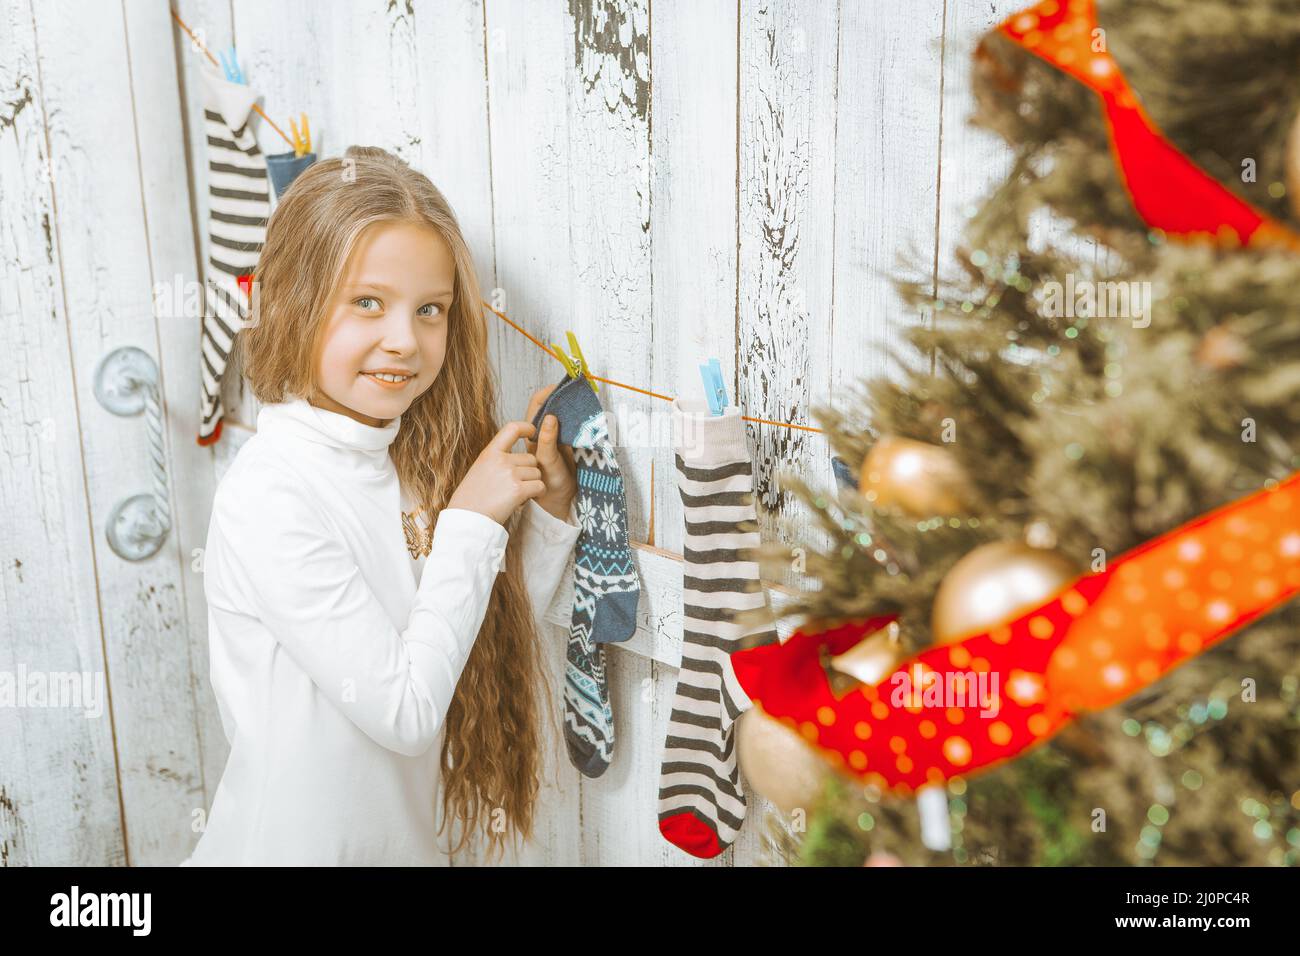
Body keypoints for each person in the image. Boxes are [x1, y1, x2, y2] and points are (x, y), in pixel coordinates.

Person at [181, 145, 581, 865]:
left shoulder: (405, 462)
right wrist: (472, 521)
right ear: (297, 300)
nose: (404, 340)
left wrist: (545, 518)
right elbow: (405, 710)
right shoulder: (270, 492)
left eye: (430, 310)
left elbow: (463, 641)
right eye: (367, 302)